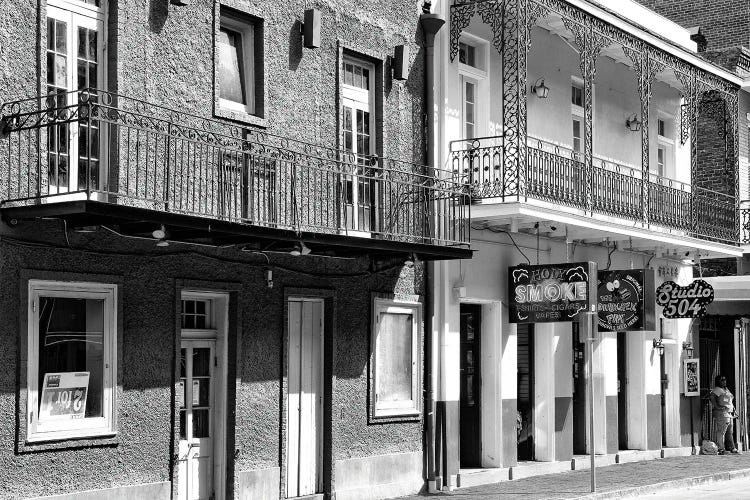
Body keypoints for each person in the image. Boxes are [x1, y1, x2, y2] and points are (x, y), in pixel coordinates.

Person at [709, 374, 739, 455]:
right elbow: (711, 397)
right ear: (718, 381)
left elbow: (729, 401)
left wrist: (734, 410)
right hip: (722, 413)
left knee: (730, 432)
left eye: (725, 379)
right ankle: (721, 449)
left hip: (729, 413)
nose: (724, 381)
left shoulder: (726, 389)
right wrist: (717, 406)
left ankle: (732, 448)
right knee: (721, 431)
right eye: (722, 380)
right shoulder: (717, 389)